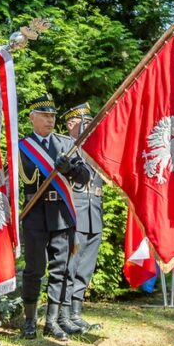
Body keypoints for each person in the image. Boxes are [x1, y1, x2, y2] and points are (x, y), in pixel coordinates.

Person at [18, 94, 90, 341]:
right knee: (34, 269)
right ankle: (29, 322)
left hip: (61, 214)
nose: (50, 120)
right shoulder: (22, 147)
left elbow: (85, 177)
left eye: (52, 116)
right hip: (35, 215)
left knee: (61, 269)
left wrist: (70, 169)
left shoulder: (64, 144)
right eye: (45, 116)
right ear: (32, 118)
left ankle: (52, 322)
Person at [63, 103, 103, 331]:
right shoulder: (65, 148)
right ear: (71, 124)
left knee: (85, 267)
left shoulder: (96, 149)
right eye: (84, 123)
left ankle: (76, 313)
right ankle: (64, 314)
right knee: (70, 266)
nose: (89, 127)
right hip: (75, 214)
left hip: (94, 213)